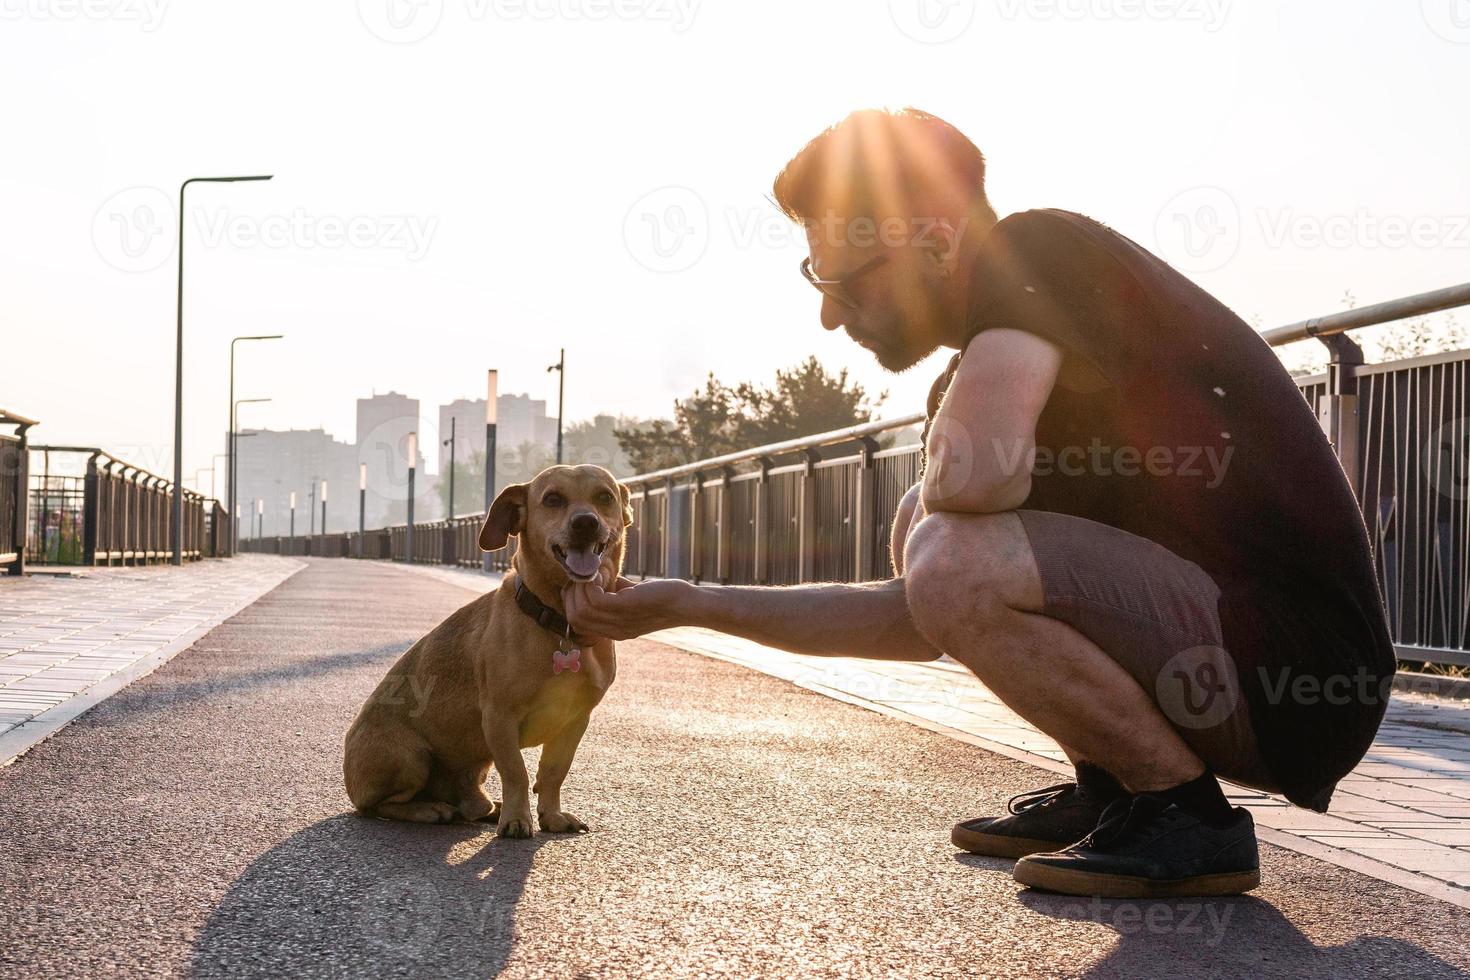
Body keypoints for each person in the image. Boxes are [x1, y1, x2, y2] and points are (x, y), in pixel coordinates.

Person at [563, 108, 1395, 898]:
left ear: (934, 239)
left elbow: (968, 499)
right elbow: (917, 616)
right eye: (817, 280)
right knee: (928, 539)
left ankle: (1182, 813)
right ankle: (1114, 784)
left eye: (846, 282)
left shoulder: (1045, 249)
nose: (826, 314)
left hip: (1303, 670)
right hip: (1220, 659)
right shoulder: (978, 370)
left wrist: (942, 524)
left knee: (945, 536)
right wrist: (693, 605)